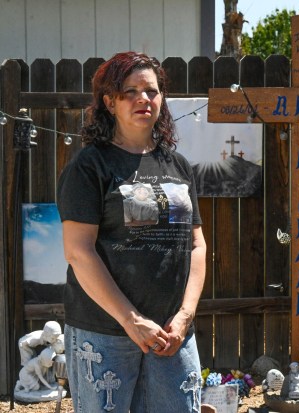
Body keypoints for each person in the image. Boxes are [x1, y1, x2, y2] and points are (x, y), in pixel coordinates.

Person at [57, 51, 207, 413]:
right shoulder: (90, 166)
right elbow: (79, 251)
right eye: (131, 91)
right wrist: (131, 320)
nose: (144, 99)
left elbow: (197, 244)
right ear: (110, 102)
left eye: (152, 91)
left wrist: (185, 316)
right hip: (104, 333)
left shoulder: (177, 164)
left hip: (171, 335)